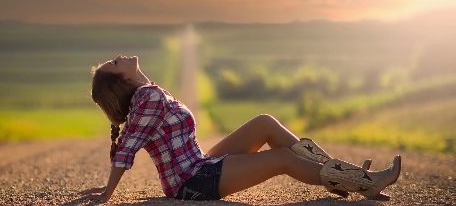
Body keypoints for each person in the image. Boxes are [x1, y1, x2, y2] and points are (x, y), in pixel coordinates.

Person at [79, 54, 401, 202]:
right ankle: (363, 182)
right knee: (281, 160)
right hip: (192, 182)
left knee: (264, 123)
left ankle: (335, 176)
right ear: (122, 80)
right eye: (116, 63)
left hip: (199, 165)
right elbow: (127, 147)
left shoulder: (151, 92)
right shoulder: (146, 97)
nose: (120, 57)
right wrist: (108, 193)